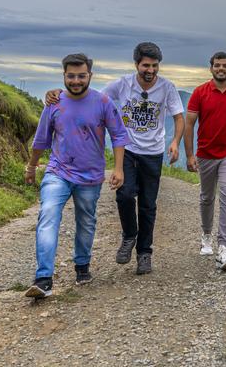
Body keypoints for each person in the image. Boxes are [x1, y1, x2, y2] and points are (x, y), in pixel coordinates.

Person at [43, 42, 184, 275]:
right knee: (125, 195)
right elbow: (92, 97)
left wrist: (175, 142)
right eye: (146, 65)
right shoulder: (123, 84)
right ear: (136, 64)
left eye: (155, 66)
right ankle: (129, 235)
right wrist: (60, 93)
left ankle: (144, 253)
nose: (150, 70)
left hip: (153, 153)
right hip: (128, 149)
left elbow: (179, 117)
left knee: (148, 205)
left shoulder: (167, 88)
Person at [24, 53, 128, 298]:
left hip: (90, 176)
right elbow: (41, 140)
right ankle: (43, 278)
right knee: (48, 214)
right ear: (64, 76)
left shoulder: (102, 102)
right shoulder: (54, 103)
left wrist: (119, 168)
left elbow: (119, 136)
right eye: (71, 76)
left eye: (81, 76)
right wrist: (31, 167)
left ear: (90, 75)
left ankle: (82, 265)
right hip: (58, 171)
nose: (76, 80)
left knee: (86, 221)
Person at [184, 51, 226, 271]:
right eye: (217, 65)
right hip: (205, 154)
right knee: (206, 197)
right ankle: (206, 235)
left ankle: (223, 248)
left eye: (225, 65)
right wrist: (190, 154)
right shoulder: (200, 92)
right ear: (211, 68)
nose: (221, 68)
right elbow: (189, 124)